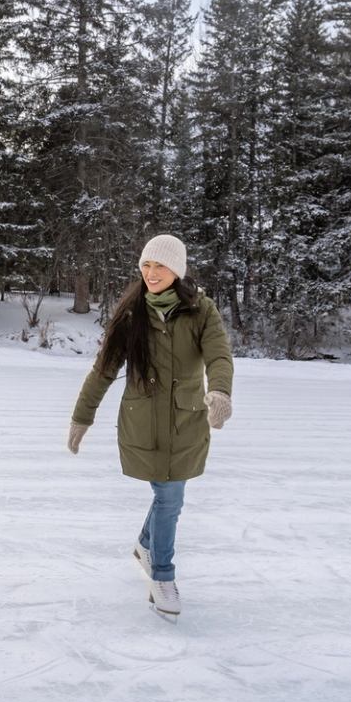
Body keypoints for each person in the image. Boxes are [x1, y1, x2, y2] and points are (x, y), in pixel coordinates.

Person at [68, 235, 234, 619]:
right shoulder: (132, 314)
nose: (151, 273)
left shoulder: (202, 310)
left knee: (169, 496)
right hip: (143, 423)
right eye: (146, 266)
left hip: (187, 421)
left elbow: (219, 355)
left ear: (177, 270)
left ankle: (148, 547)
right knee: (169, 497)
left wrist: (221, 392)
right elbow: (103, 371)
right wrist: (82, 417)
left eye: (159, 266)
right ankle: (162, 575)